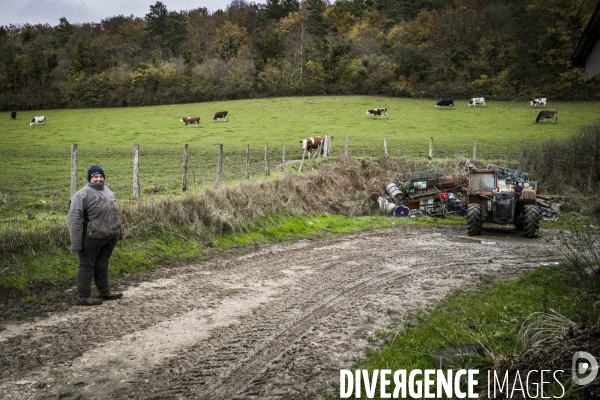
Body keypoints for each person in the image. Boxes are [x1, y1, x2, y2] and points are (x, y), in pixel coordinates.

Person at [68, 165, 123, 306]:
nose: (99, 179)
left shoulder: (108, 191)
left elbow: (113, 213)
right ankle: (84, 296)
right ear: (90, 178)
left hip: (110, 237)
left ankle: (105, 292)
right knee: (86, 266)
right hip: (91, 239)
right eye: (95, 176)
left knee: (102, 265)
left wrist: (119, 230)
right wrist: (76, 243)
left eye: (101, 176)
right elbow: (75, 220)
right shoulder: (82, 194)